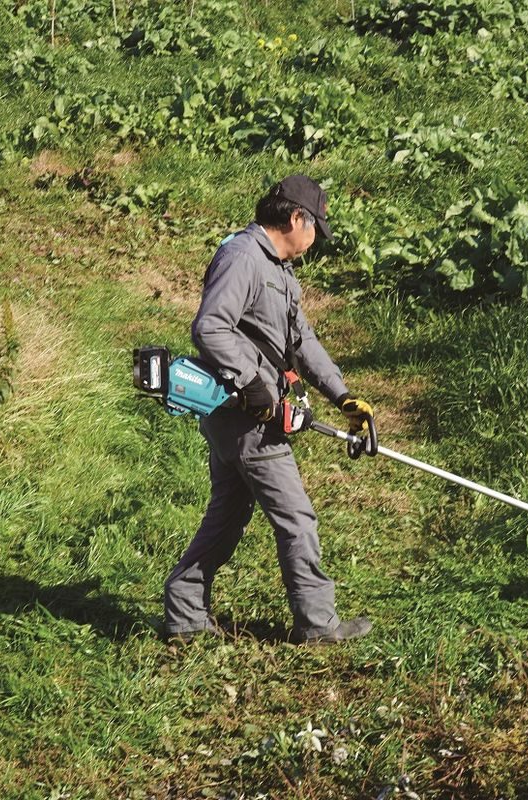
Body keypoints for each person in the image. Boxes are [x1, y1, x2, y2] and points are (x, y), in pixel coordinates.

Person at [164, 174, 374, 645]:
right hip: (243, 418)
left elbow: (302, 343)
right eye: (315, 227)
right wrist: (257, 388)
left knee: (227, 515)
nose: (315, 239)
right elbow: (210, 328)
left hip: (241, 420)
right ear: (296, 218)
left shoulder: (279, 269)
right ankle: (318, 625)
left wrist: (342, 396)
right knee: (297, 519)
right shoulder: (242, 257)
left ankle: (183, 610)